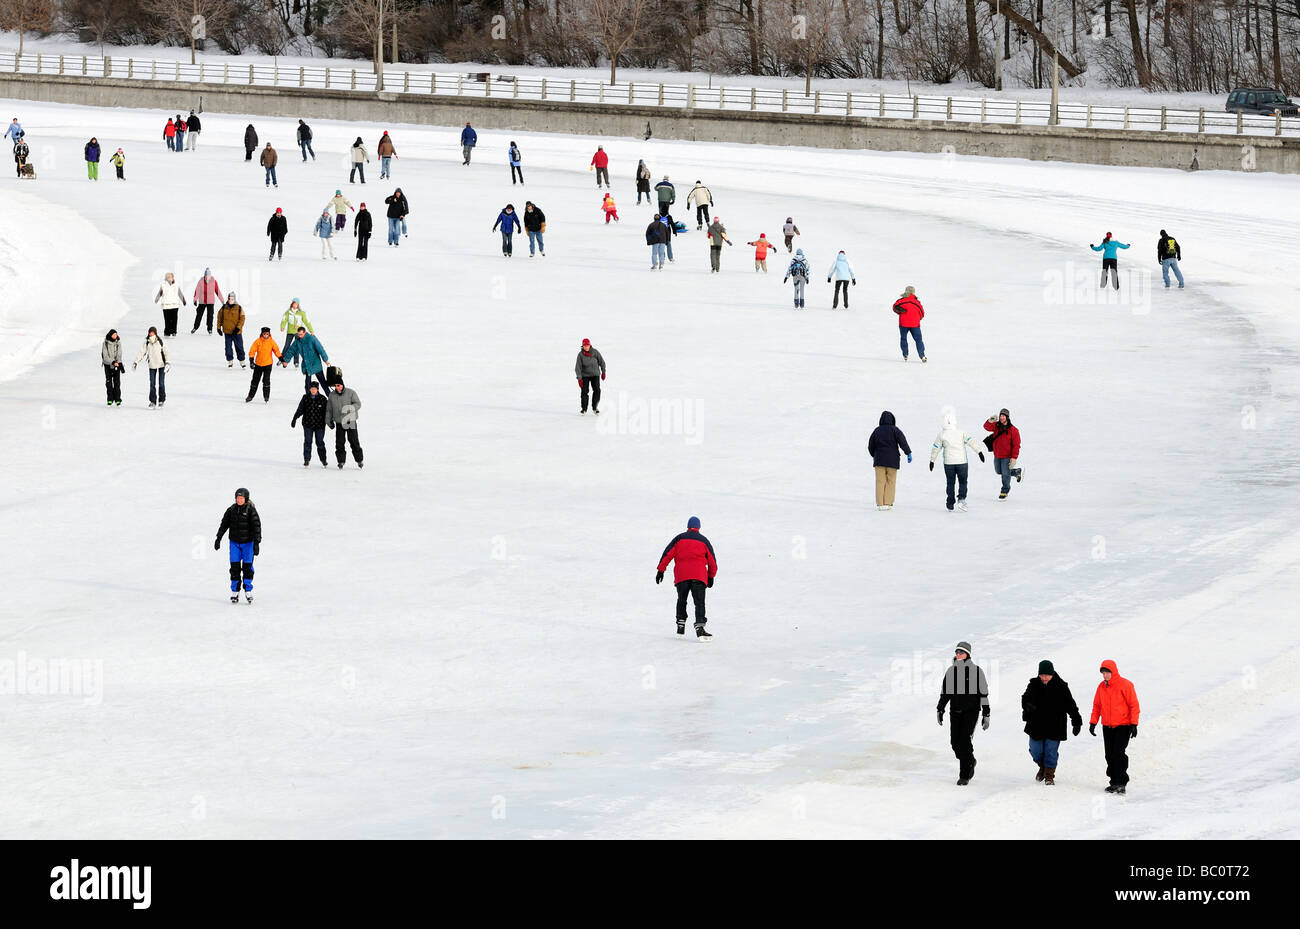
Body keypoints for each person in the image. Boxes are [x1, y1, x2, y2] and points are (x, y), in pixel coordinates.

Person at [937, 641, 990, 786]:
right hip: (955, 711)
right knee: (955, 742)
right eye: (957, 652)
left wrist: (986, 714)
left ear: (968, 654)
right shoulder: (951, 671)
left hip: (971, 712)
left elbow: (983, 694)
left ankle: (964, 774)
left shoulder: (977, 671)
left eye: (961, 652)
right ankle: (970, 761)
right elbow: (945, 693)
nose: (958, 654)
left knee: (965, 741)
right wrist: (940, 709)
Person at [1022, 660, 1083, 786]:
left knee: (1050, 750)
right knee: (1035, 750)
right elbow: (1025, 698)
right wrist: (1028, 706)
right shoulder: (1033, 684)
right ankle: (1042, 767)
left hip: (1055, 725)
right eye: (1042, 675)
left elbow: (1070, 705)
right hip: (1036, 725)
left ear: (1052, 674)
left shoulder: (1061, 686)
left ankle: (1049, 775)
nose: (1044, 678)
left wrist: (1076, 721)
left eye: (1047, 675)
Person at [655, 516, 718, 640]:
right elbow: (712, 561)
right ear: (699, 527)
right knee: (699, 602)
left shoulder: (679, 538)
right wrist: (711, 576)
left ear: (688, 526)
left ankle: (680, 623)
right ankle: (700, 628)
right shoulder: (704, 540)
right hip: (699, 577)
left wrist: (660, 570)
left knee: (682, 599)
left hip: (682, 576)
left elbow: (667, 554)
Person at [1090, 659, 1140, 794]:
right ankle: (1113, 782)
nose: (1105, 675)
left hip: (1123, 726)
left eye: (1107, 672)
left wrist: (1134, 724)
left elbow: (1134, 705)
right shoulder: (1101, 687)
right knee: (1109, 755)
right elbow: (1097, 706)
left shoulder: (1125, 685)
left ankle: (1121, 782)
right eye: (1103, 673)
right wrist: (1093, 722)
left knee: (1118, 754)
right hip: (1107, 726)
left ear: (1114, 671)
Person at [929, 411, 985, 512]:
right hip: (962, 462)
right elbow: (971, 442)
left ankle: (950, 503)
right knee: (963, 482)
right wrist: (979, 452)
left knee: (950, 483)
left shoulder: (942, 434)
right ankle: (961, 499)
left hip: (949, 464)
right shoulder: (961, 432)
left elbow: (936, 448)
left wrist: (932, 460)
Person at [214, 488, 260, 603]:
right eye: (237, 498)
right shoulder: (231, 510)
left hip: (248, 544)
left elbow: (256, 527)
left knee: (247, 568)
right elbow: (224, 524)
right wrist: (218, 538)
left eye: (241, 498)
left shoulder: (251, 510)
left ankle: (248, 590)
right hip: (234, 543)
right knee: (234, 568)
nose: (239, 500)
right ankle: (235, 591)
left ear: (246, 498)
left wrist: (257, 543)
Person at [868, 411, 911, 510]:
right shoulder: (895, 430)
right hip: (893, 461)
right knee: (890, 481)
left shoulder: (876, 431)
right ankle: (888, 502)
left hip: (879, 460)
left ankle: (880, 503)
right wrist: (908, 453)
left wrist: (874, 455)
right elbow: (903, 442)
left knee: (880, 481)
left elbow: (870, 445)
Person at [326, 371, 364, 468]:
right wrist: (328, 420)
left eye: (339, 385)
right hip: (339, 422)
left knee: (353, 441)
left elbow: (358, 404)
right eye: (336, 386)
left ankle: (359, 460)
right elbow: (329, 409)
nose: (337, 387)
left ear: (342, 385)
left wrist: (349, 408)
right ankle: (341, 461)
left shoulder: (351, 392)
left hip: (350, 420)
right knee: (339, 442)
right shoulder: (332, 395)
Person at [983, 408, 1023, 500]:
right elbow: (986, 427)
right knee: (999, 471)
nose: (1001, 418)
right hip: (997, 454)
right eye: (1000, 416)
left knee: (1005, 474)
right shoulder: (996, 426)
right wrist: (990, 421)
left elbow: (1016, 445)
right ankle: (1016, 472)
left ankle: (1004, 491)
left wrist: (1014, 458)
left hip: (1007, 456)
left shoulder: (1014, 430)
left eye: (1003, 416)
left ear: (1007, 417)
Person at [292, 382, 331, 468]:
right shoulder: (305, 398)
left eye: (315, 389)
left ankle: (323, 460)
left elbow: (327, 413)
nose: (313, 390)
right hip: (307, 425)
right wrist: (295, 418)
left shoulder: (323, 399)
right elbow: (300, 409)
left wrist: (330, 422)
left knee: (320, 442)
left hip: (320, 425)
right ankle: (307, 460)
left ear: (317, 389)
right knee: (307, 442)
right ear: (309, 389)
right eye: (311, 389)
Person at [131, 326, 170, 409]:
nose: (151, 334)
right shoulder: (147, 342)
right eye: (150, 333)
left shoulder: (160, 341)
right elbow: (141, 352)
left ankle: (161, 400)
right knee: (152, 384)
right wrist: (136, 362)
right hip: (152, 365)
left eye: (152, 333)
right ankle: (152, 401)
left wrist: (168, 363)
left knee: (161, 383)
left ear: (155, 333)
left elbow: (166, 353)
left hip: (161, 365)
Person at [282, 325, 330, 392]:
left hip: (315, 363)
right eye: (298, 334)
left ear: (305, 332)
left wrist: (325, 360)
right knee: (307, 384)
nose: (300, 336)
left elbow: (320, 349)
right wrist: (286, 360)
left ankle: (330, 397)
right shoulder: (297, 341)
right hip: (307, 365)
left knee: (323, 382)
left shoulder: (312, 339)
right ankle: (308, 399)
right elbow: (291, 350)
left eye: (301, 334)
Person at [246, 328, 282, 403]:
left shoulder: (271, 342)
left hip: (268, 364)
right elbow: (252, 350)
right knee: (255, 381)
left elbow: (276, 350)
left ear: (269, 334)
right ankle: (250, 396)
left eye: (267, 334)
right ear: (262, 334)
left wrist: (281, 359)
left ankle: (266, 396)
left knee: (266, 380)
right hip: (258, 364)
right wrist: (251, 361)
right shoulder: (258, 341)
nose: (266, 336)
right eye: (264, 334)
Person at [893, 285, 927, 362]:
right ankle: (922, 356)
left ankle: (905, 355)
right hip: (915, 324)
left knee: (903, 338)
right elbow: (922, 313)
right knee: (918, 340)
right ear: (914, 293)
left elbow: (894, 307)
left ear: (905, 292)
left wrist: (899, 311)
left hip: (903, 324)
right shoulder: (917, 302)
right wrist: (918, 318)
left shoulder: (901, 301)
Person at [575, 338, 605, 415]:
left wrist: (603, 372)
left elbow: (602, 362)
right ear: (583, 346)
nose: (586, 347)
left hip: (595, 375)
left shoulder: (595, 352)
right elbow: (577, 368)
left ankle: (595, 407)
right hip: (585, 375)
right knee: (584, 392)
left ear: (590, 345)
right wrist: (579, 379)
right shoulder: (580, 355)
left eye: (587, 345)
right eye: (584, 345)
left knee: (597, 390)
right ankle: (584, 409)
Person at [278, 298, 312, 364]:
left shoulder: (302, 313)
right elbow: (284, 320)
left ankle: (296, 361)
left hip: (298, 333)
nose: (295, 305)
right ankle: (282, 359)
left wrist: (311, 330)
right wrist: (282, 327)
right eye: (294, 303)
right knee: (287, 346)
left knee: (296, 346)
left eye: (296, 304)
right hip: (290, 332)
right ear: (292, 304)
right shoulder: (288, 312)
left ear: (298, 305)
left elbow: (307, 322)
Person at [218, 293, 247, 368]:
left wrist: (238, 328)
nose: (230, 300)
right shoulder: (224, 307)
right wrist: (218, 327)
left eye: (232, 299)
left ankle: (242, 361)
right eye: (229, 299)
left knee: (239, 347)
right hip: (227, 332)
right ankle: (230, 361)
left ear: (235, 299)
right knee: (228, 348)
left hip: (236, 332)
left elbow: (242, 318)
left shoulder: (239, 308)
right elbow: (219, 317)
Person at [191, 268, 223, 335]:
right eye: (206, 275)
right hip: (202, 301)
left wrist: (222, 300)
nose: (207, 277)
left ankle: (210, 329)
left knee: (210, 315)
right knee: (199, 315)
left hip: (210, 302)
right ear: (204, 275)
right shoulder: (201, 281)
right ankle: (195, 327)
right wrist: (195, 299)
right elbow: (197, 291)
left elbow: (218, 291)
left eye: (208, 276)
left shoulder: (214, 281)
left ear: (210, 276)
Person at [154, 272, 186, 338]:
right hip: (166, 305)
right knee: (167, 319)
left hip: (175, 305)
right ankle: (167, 332)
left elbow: (180, 293)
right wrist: (156, 299)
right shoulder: (163, 285)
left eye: (171, 277)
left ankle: (174, 331)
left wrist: (183, 300)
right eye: (168, 277)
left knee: (174, 319)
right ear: (166, 278)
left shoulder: (176, 285)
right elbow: (160, 293)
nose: (170, 279)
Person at [101, 329, 124, 407]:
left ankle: (118, 400)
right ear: (110, 335)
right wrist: (113, 362)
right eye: (114, 335)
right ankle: (110, 399)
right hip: (107, 365)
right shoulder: (105, 343)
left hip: (116, 365)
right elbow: (105, 356)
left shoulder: (118, 343)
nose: (115, 336)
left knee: (117, 383)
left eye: (116, 334)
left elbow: (119, 354)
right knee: (109, 383)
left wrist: (118, 363)